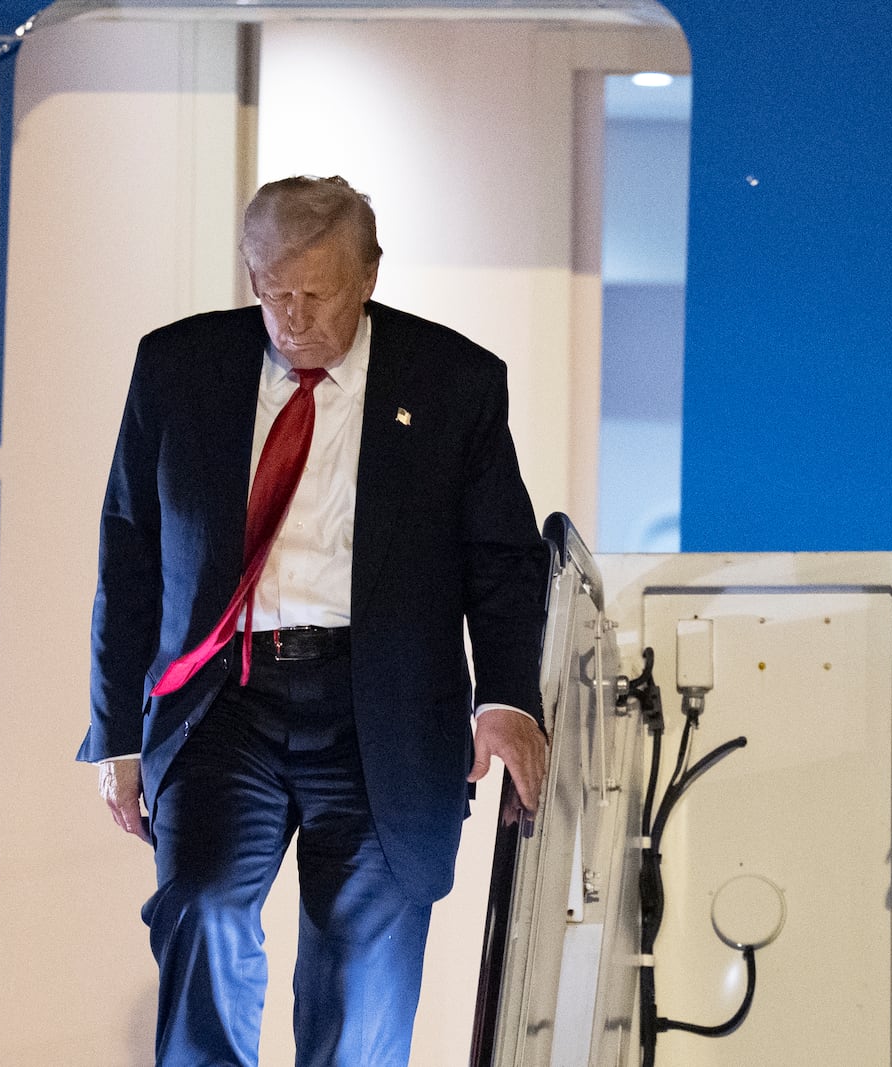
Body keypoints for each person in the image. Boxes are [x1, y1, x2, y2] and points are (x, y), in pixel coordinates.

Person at [78, 174, 550, 1066]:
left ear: (369, 275)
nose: (292, 318)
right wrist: (117, 733)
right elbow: (129, 551)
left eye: (316, 295)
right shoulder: (177, 368)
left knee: (361, 965)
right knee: (203, 904)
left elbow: (504, 561)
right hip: (226, 700)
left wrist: (508, 698)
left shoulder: (454, 383)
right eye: (272, 292)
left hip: (384, 709)